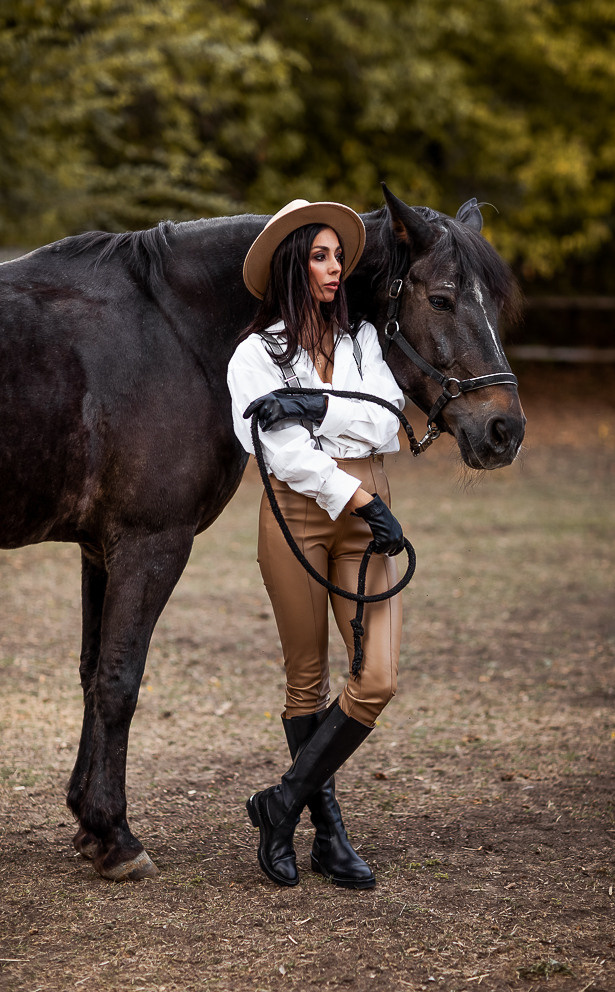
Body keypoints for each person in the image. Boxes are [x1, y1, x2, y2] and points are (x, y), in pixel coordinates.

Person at [227, 199, 406, 890]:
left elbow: (386, 423)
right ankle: (327, 835)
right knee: (307, 678)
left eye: (338, 256)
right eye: (320, 256)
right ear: (293, 267)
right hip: (298, 516)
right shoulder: (254, 355)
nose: (336, 269)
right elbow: (285, 455)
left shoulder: (363, 342)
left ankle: (280, 803)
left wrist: (310, 404)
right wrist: (359, 493)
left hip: (366, 518)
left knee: (378, 677)